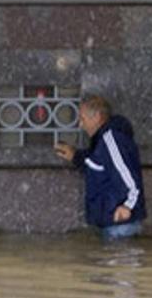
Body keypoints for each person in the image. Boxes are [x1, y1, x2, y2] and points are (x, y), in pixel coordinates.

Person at [54, 94, 146, 240]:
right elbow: (98, 167)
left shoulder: (111, 139)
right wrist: (75, 156)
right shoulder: (103, 140)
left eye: (83, 119)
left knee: (119, 260)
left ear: (97, 117)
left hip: (119, 222)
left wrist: (127, 206)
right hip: (114, 221)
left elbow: (127, 174)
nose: (80, 124)